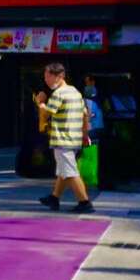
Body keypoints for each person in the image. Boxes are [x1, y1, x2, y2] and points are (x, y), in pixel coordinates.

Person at [33, 62, 93, 213]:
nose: (45, 79)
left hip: (62, 139)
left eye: (48, 76)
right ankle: (54, 198)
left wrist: (40, 103)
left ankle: (84, 203)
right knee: (63, 171)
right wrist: (85, 135)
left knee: (70, 172)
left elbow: (46, 114)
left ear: (58, 76)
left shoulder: (58, 94)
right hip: (74, 138)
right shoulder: (75, 92)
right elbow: (85, 115)